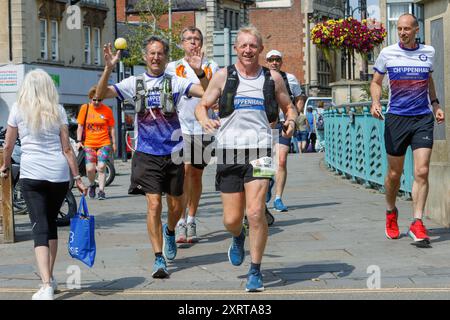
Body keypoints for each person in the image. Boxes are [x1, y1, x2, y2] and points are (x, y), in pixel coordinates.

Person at [94, 36, 207, 278]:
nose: (155, 57)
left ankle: (169, 230)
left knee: (176, 205)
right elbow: (100, 94)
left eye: (160, 53)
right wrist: (108, 68)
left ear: (165, 58)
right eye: (151, 53)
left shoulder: (175, 81)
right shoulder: (133, 83)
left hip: (174, 152)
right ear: (145, 57)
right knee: (154, 204)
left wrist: (199, 72)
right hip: (146, 153)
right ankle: (158, 258)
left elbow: (205, 94)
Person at [195, 26, 297, 292]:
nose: (248, 50)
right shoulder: (222, 76)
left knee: (255, 212)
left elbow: (289, 106)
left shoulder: (272, 78)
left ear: (260, 49)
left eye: (253, 46)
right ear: (236, 49)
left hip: (260, 151)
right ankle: (237, 236)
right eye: (243, 46)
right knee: (231, 219)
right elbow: (202, 105)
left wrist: (292, 121)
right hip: (229, 152)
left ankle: (255, 270)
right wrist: (204, 119)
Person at [0, 69, 87, 300]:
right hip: (58, 175)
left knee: (39, 226)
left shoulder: (18, 108)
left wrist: (5, 166)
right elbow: (67, 148)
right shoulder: (57, 110)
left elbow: (8, 145)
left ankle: (46, 284)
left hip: (32, 174)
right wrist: (77, 177)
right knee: (50, 224)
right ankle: (50, 278)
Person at [370, 13, 445, 244]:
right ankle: (391, 212)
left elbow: (428, 80)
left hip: (422, 118)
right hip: (396, 119)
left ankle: (417, 222)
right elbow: (375, 82)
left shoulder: (428, 53)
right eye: (399, 29)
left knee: (422, 171)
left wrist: (435, 104)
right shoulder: (388, 53)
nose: (402, 32)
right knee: (394, 174)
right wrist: (375, 102)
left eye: (406, 29)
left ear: (416, 30)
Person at [166, 27, 219, 243]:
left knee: (196, 174)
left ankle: (191, 218)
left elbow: (212, 94)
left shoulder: (211, 66)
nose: (193, 43)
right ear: (181, 43)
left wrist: (200, 72)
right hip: (179, 127)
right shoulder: (172, 67)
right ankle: (179, 222)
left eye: (197, 39)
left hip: (203, 127)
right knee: (184, 171)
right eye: (188, 39)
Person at [265, 50, 304, 212]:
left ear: (281, 61)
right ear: (266, 62)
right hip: (265, 126)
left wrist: (294, 118)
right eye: (271, 60)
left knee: (281, 161)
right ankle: (266, 184)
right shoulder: (261, 78)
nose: (274, 62)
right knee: (265, 164)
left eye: (277, 60)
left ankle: (278, 198)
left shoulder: (290, 79)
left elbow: (299, 97)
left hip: (283, 124)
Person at [76, 85, 116, 200]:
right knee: (90, 169)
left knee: (102, 166)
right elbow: (80, 126)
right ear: (90, 98)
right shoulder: (85, 108)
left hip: (104, 142)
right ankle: (92, 184)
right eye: (94, 100)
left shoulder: (107, 110)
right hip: (89, 143)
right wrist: (79, 141)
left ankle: (102, 191)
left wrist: (114, 143)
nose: (97, 102)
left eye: (99, 100)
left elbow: (112, 128)